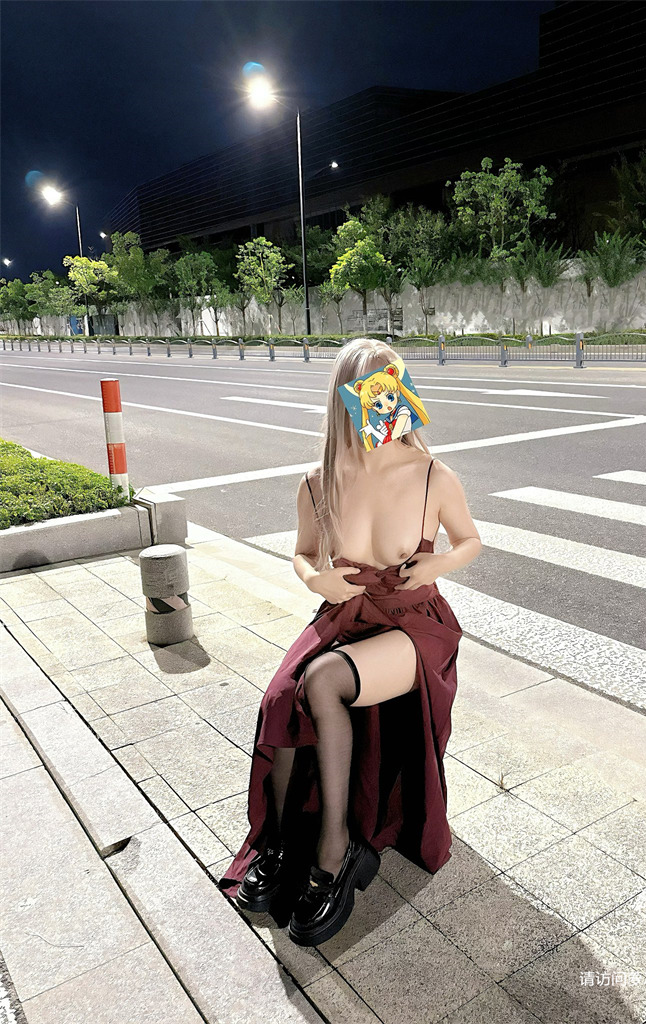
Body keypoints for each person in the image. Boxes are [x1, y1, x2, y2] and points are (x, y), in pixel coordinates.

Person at [216, 338, 482, 947]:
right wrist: (317, 579)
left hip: (414, 625)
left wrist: (437, 564)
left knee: (322, 681)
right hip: (347, 617)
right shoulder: (317, 481)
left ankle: (335, 854)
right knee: (279, 698)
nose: (383, 404)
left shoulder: (432, 474)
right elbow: (303, 553)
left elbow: (470, 540)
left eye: (392, 387)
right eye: (369, 392)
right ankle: (280, 842)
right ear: (345, 400)